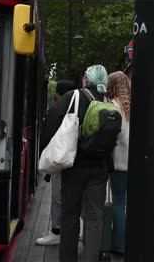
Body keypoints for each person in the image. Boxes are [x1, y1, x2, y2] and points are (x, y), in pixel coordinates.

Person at [40, 64, 110, 262]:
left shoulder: (74, 96)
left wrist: (47, 149)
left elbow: (52, 120)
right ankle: (91, 258)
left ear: (86, 80)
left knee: (69, 216)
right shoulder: (107, 101)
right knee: (94, 217)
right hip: (100, 168)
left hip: (74, 167)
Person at [36, 79, 79, 245]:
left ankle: (56, 231)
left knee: (57, 196)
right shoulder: (80, 106)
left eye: (56, 92)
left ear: (59, 94)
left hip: (60, 160)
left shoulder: (58, 109)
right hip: (76, 160)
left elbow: (47, 135)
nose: (53, 95)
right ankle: (66, 230)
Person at [105, 71, 130, 256]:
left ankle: (118, 245)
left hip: (118, 163)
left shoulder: (112, 107)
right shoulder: (135, 106)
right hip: (135, 163)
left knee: (119, 204)